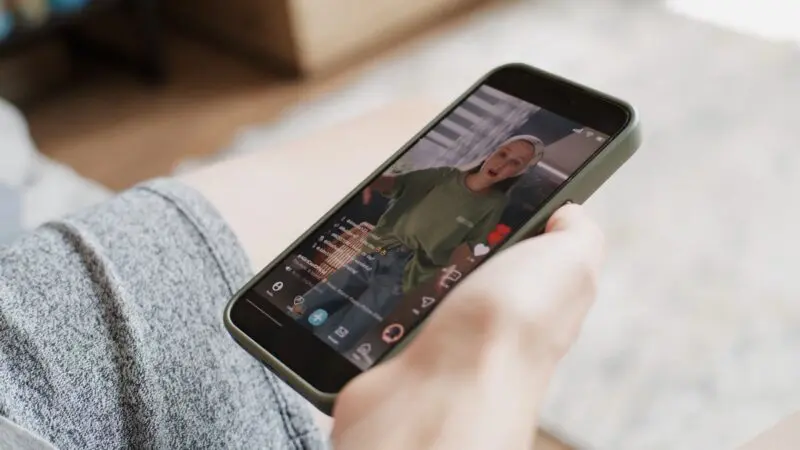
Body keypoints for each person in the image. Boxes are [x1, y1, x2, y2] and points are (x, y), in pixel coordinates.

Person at [1, 102, 793, 449]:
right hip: (77, 364)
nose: (509, 155)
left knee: (412, 107)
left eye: (521, 156)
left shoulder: (488, 211)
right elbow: (382, 202)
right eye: (509, 147)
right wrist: (480, 369)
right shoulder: (441, 175)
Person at [297, 135, 545, 351]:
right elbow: (400, 184)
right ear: (492, 152)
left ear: (518, 172)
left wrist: (455, 273)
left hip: (408, 272)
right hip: (379, 249)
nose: (504, 163)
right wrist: (374, 180)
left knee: (350, 328)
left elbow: (472, 244)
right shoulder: (445, 176)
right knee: (317, 299)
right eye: (503, 154)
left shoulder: (494, 204)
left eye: (515, 163)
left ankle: (318, 350)